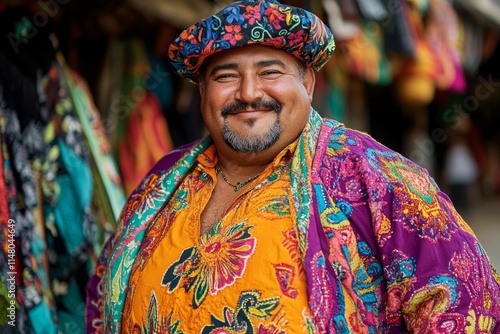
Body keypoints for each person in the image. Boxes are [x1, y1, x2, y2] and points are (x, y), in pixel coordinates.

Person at [85, 0, 500, 332]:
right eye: (226, 76)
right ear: (202, 91)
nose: (249, 93)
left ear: (309, 83)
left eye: (270, 71)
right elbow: (103, 295)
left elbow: (471, 310)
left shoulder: (380, 179)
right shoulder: (163, 181)